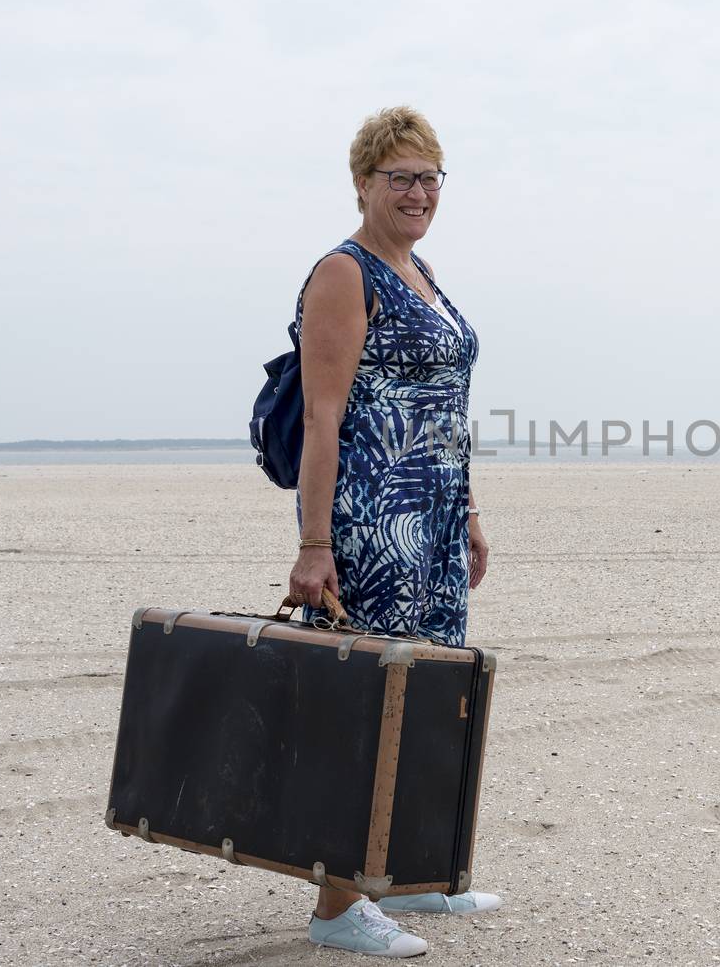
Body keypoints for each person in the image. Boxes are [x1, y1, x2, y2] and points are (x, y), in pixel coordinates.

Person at [286, 106, 497, 958]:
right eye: (399, 178)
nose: (417, 192)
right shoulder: (345, 273)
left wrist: (471, 509)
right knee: (364, 706)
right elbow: (323, 418)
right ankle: (337, 907)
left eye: (430, 177)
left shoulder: (423, 272)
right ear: (364, 185)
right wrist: (313, 544)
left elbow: (447, 409)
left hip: (439, 521)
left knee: (429, 702)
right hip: (374, 524)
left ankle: (404, 875)